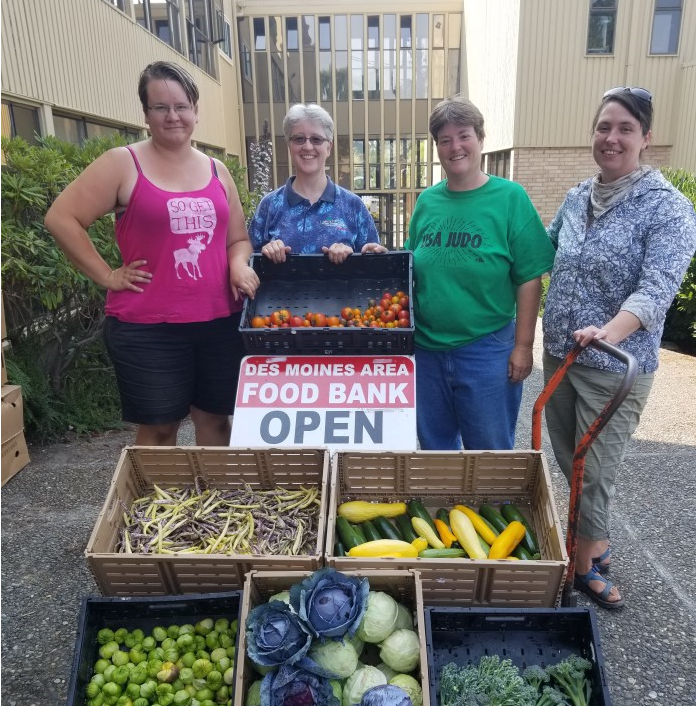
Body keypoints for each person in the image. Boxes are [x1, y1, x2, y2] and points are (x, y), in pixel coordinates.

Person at [44, 61, 259, 447]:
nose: (173, 116)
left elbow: (237, 239)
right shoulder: (122, 163)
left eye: (182, 106)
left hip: (219, 322)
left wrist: (238, 266)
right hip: (148, 328)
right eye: (161, 107)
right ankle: (160, 509)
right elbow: (62, 218)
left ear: (196, 110)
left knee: (218, 424)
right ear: (145, 114)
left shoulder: (217, 171)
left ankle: (214, 507)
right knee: (160, 431)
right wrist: (107, 275)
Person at [542, 86, 695, 609]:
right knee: (569, 460)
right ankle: (596, 542)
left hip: (614, 366)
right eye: (604, 127)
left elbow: (656, 289)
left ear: (646, 138)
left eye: (625, 128)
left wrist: (610, 330)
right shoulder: (576, 196)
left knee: (594, 471)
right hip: (561, 353)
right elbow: (545, 246)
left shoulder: (669, 209)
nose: (612, 138)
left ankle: (579, 569)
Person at [404, 95, 555, 451]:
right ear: (437, 148)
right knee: (435, 450)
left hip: (486, 349)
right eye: (445, 139)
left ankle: (491, 507)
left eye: (464, 135)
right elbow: (412, 266)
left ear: (481, 139)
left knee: (490, 452)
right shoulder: (427, 202)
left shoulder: (509, 198)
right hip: (426, 351)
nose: (455, 146)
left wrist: (523, 346)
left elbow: (529, 277)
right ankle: (444, 508)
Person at [248, 103, 387, 263]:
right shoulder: (269, 205)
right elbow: (248, 264)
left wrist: (364, 256)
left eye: (316, 139)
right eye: (299, 139)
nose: (307, 147)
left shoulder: (353, 206)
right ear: (289, 146)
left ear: (329, 147)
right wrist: (265, 254)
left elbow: (376, 270)